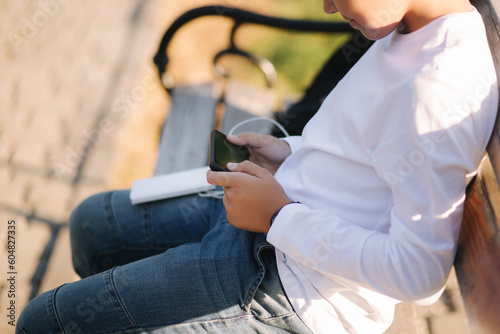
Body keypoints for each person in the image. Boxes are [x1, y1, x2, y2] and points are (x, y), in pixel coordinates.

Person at [17, 0, 498, 333]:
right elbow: (372, 156)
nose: (329, 7)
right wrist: (289, 152)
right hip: (276, 218)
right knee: (90, 225)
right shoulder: (414, 24)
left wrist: (278, 216)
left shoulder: (437, 89)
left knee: (43, 323)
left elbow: (418, 274)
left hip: (290, 288)